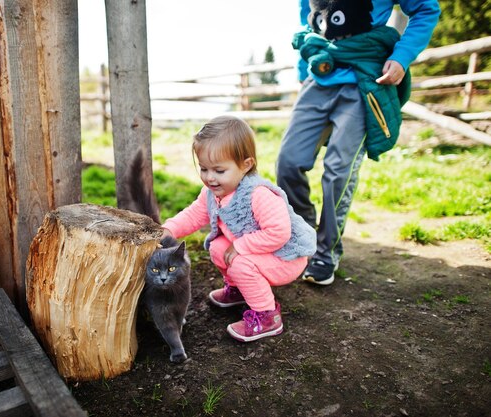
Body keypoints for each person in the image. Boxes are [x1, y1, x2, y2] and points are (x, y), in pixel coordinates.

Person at [276, 0, 440, 286]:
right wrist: (305, 70)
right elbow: (308, 16)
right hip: (319, 78)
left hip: (363, 79)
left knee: (339, 170)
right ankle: (304, 237)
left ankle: (326, 253)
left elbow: (426, 8)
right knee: (288, 162)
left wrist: (402, 56)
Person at [160, 115, 316, 342]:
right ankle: (240, 289)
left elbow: (278, 232)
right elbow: (195, 214)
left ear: (246, 165)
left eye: (219, 171)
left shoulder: (259, 194)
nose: (210, 178)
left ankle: (267, 316)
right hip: (260, 250)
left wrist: (241, 245)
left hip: (285, 256)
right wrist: (170, 229)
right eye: (204, 169)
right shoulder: (213, 193)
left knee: (240, 262)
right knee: (217, 246)